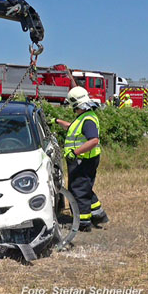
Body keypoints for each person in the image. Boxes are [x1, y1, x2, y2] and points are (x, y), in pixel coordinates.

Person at [52, 87, 109, 231]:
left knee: (79, 190)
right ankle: (98, 214)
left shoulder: (87, 120)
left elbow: (94, 140)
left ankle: (83, 223)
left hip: (83, 160)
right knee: (84, 187)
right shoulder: (84, 117)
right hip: (84, 160)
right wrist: (57, 121)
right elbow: (72, 127)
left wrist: (75, 153)